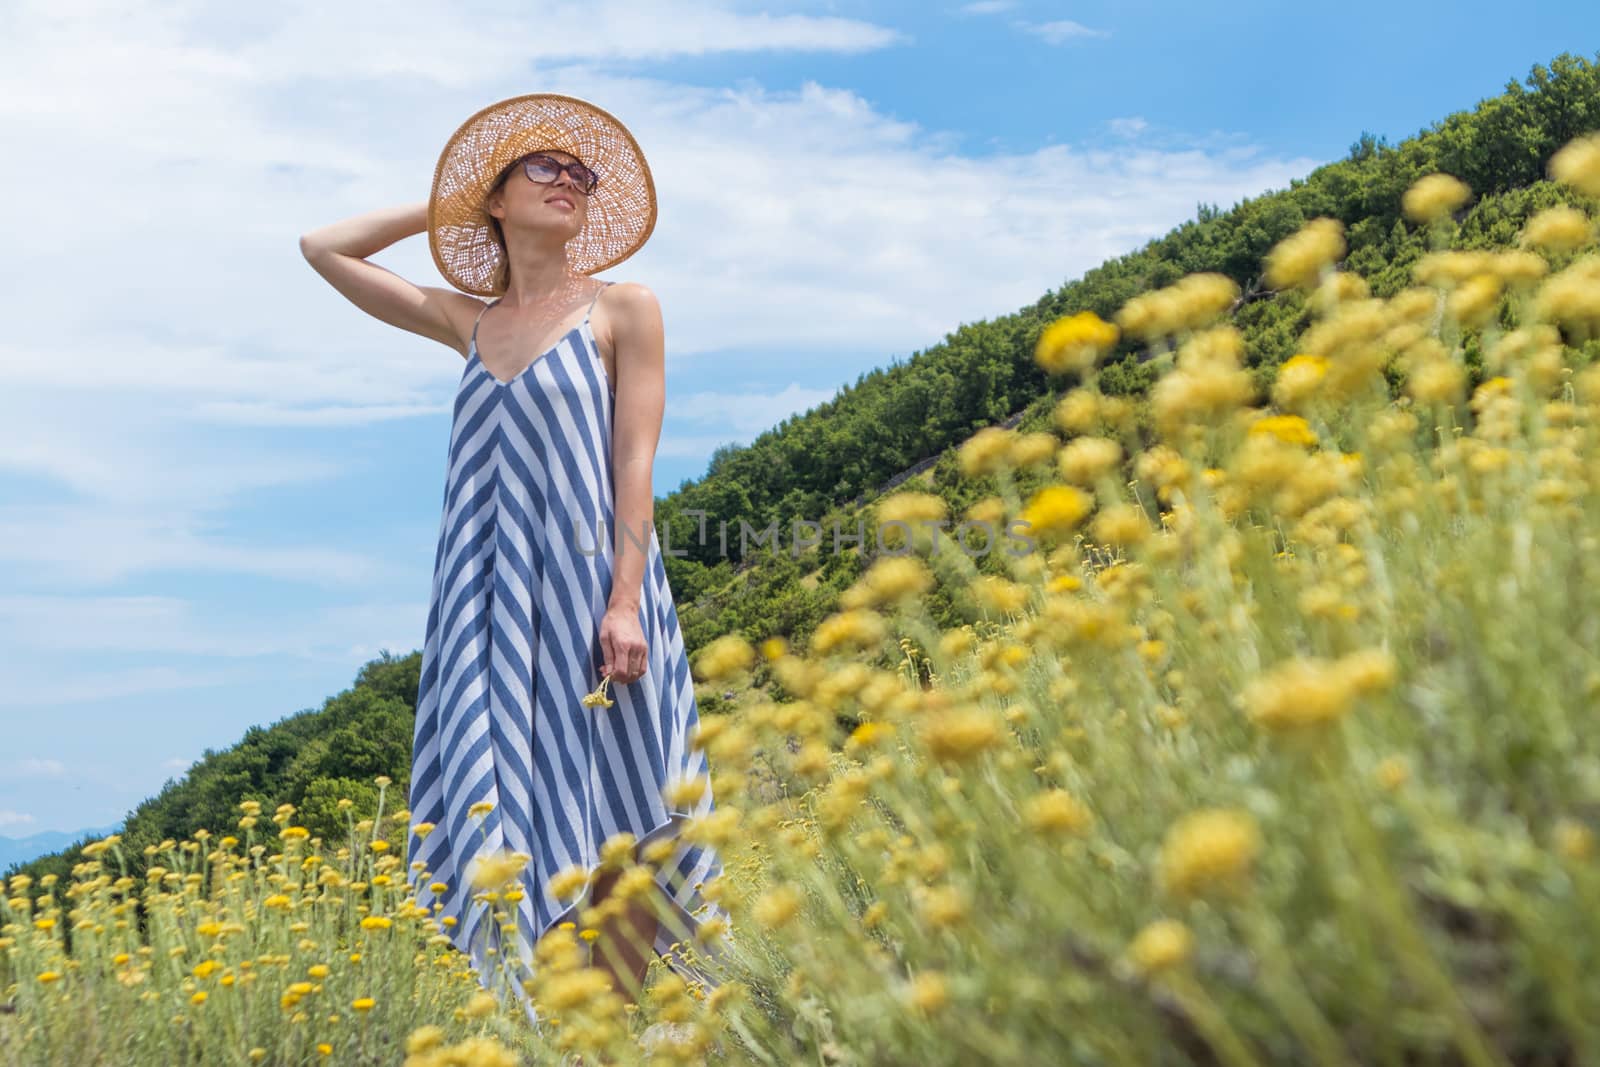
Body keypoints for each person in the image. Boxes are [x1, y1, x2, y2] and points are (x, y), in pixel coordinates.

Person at [298, 94, 731, 1034]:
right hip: (488, 613)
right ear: (496, 200)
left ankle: (603, 1032)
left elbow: (634, 464)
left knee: (627, 813)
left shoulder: (626, 308)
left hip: (594, 594)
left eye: (585, 172)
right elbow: (323, 249)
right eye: (547, 167)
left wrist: (625, 601)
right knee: (507, 814)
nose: (572, 178)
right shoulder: (468, 321)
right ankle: (553, 1031)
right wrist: (444, 202)